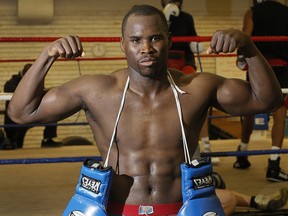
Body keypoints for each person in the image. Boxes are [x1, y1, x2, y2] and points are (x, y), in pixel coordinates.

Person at [7, 4, 283, 215]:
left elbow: (266, 100)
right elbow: (21, 113)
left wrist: (248, 47)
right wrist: (47, 55)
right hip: (118, 208)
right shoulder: (96, 90)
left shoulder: (197, 87)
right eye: (136, 40)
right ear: (123, 44)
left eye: (155, 38)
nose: (146, 48)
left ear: (170, 40)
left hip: (180, 208)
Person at [234, 0, 288, 182]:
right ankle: (273, 165)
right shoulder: (285, 11)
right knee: (279, 113)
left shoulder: (252, 12)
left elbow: (245, 36)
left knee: (250, 108)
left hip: (258, 67)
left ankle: (242, 154)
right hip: (282, 67)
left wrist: (241, 58)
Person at [161, 0, 220, 164]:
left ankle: (206, 148)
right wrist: (165, 21)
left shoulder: (186, 18)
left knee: (196, 102)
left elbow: (192, 41)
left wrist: (201, 45)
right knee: (163, 104)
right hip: (162, 64)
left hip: (185, 63)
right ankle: (166, 148)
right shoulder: (157, 18)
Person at [3, 63, 62, 149]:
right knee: (17, 141)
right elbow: (9, 89)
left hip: (32, 114)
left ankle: (47, 140)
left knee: (52, 116)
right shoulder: (12, 82)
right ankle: (15, 144)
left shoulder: (35, 80)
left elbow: (41, 92)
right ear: (24, 73)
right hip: (17, 118)